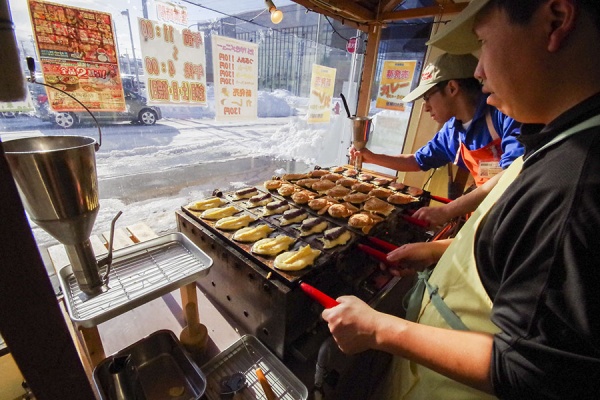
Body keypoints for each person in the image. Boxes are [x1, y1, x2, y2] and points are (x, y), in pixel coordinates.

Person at [322, 1, 600, 399]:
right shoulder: (557, 142)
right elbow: (522, 250)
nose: (479, 70)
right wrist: (442, 252)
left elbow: (533, 371)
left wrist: (379, 329)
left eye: (484, 42)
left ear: (555, 21)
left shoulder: (575, 180)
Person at [350, 52, 524, 227]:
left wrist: (448, 210)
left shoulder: (503, 113)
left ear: (452, 88)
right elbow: (416, 161)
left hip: (516, 212)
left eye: (427, 98)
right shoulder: (451, 131)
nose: (426, 107)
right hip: (484, 208)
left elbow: (513, 174)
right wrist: (371, 157)